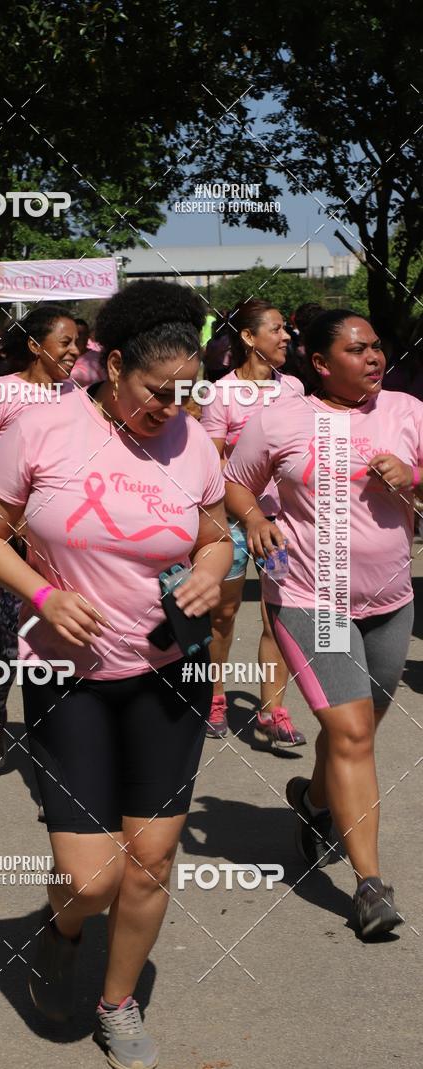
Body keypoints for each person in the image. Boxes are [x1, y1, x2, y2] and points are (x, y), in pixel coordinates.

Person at [0, 280, 232, 1069]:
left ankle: (118, 1004)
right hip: (68, 676)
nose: (171, 409)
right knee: (90, 878)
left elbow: (216, 535)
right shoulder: (41, 429)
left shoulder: (194, 441)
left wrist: (211, 569)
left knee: (150, 860)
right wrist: (45, 594)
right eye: (157, 391)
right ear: (113, 368)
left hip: (170, 675)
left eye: (185, 393)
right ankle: (64, 925)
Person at [224, 308, 421, 937]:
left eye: (376, 346)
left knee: (352, 735)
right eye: (357, 349)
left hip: (391, 603)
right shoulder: (280, 420)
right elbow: (235, 483)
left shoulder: (408, 412)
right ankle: (370, 887)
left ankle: (312, 801)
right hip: (313, 599)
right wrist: (256, 520)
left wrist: (413, 476)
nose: (374, 357)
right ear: (319, 363)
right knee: (353, 734)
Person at [0, 306, 80, 772]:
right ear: (36, 346)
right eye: (66, 342)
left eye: (78, 342)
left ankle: (61, 739)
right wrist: (9, 514)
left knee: (65, 635)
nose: (75, 350)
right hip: (9, 542)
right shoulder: (0, 391)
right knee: (11, 642)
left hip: (66, 542)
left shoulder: (77, 395)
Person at [200, 299, 307, 747]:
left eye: (286, 329)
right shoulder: (220, 393)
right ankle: (214, 697)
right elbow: (211, 462)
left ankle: (272, 711)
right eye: (276, 329)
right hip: (232, 525)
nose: (287, 336)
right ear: (248, 337)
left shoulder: (294, 388)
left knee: (276, 616)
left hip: (281, 524)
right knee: (222, 615)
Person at [70, 316, 106, 387]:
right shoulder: (62, 357)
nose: (83, 338)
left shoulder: (98, 357)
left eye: (86, 334)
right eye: (79, 334)